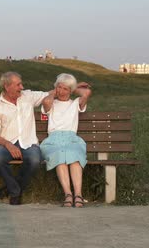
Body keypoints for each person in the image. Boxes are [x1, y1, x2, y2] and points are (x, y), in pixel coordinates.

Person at [0, 72, 49, 205]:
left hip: (29, 143)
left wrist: (71, 85)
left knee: (35, 160)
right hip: (7, 144)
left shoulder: (28, 96)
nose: (22, 87)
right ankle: (15, 192)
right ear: (6, 86)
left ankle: (9, 190)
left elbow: (49, 94)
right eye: (18, 84)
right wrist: (8, 145)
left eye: (21, 84)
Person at [40, 73, 92, 208]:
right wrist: (55, 92)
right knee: (59, 156)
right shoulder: (50, 102)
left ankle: (78, 195)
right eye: (59, 87)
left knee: (74, 156)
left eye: (65, 89)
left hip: (71, 139)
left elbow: (86, 93)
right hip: (53, 139)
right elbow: (46, 103)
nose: (61, 91)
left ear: (70, 91)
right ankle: (68, 194)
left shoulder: (75, 104)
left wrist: (74, 87)